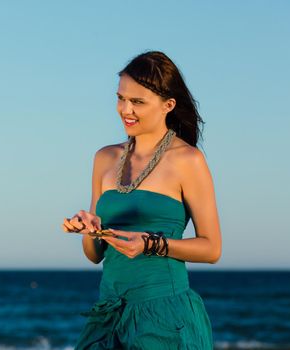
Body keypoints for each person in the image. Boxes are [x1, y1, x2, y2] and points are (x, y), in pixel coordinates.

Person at [62, 50, 221, 349]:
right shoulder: (105, 157)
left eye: (137, 102)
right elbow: (95, 255)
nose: (126, 110)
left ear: (168, 105)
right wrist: (90, 229)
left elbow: (211, 248)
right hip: (107, 315)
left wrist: (151, 244)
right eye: (121, 98)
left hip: (164, 318)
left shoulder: (187, 160)